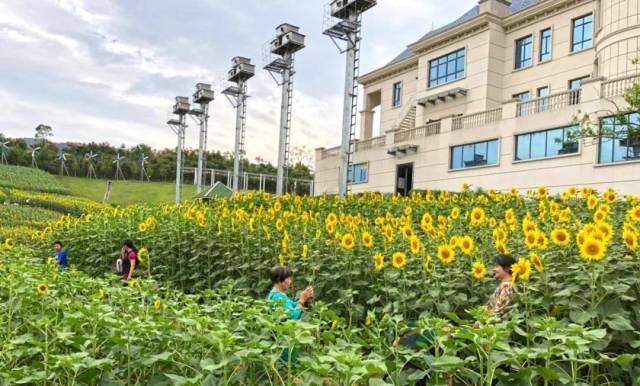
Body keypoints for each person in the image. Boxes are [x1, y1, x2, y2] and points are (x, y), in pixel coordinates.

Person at [474, 254, 518, 328]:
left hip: (498, 330)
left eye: (497, 266)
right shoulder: (504, 285)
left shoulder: (507, 287)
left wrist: (482, 321)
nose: (494, 269)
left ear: (507, 268)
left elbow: (500, 311)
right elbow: (491, 306)